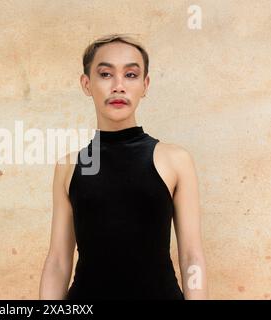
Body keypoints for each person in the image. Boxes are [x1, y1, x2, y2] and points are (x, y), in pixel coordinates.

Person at [39, 34, 208, 300]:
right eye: (105, 74)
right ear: (87, 84)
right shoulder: (69, 166)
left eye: (130, 75)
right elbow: (58, 261)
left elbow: (191, 256)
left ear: (145, 84)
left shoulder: (175, 160)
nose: (118, 86)